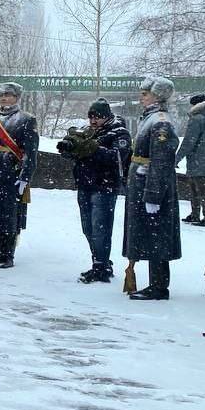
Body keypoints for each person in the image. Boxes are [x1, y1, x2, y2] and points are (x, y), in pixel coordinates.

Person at [58, 99, 132, 284]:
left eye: (97, 117)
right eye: (91, 116)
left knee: (101, 228)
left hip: (104, 185)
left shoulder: (119, 132)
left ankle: (101, 266)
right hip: (85, 184)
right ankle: (100, 262)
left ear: (107, 116)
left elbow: (118, 158)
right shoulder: (88, 131)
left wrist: (92, 148)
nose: (93, 120)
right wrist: (71, 149)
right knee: (88, 227)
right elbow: (79, 153)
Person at [124, 76, 182, 300]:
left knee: (156, 236)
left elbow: (160, 161)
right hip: (143, 183)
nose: (141, 97)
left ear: (157, 96)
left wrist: (153, 196)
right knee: (150, 234)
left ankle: (158, 286)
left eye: (145, 93)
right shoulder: (152, 118)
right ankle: (155, 283)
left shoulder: (160, 121)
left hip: (151, 185)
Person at [0, 82, 39, 268]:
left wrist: (25, 176)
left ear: (17, 97)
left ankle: (8, 255)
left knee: (9, 215)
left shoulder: (26, 119)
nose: (4, 98)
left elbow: (31, 152)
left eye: (8, 95)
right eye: (2, 95)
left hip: (11, 170)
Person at [176, 93, 205, 227]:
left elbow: (189, 142)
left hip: (197, 159)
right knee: (198, 187)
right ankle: (195, 215)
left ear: (195, 106)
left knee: (199, 189)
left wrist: (177, 158)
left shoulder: (197, 119)